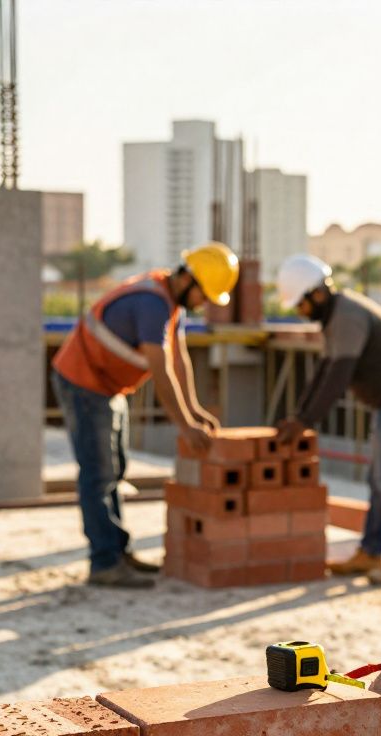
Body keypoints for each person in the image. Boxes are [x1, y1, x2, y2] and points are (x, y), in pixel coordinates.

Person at [52, 242, 239, 589]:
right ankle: (104, 562)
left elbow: (179, 360)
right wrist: (184, 425)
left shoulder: (171, 304)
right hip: (84, 382)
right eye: (203, 295)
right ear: (188, 279)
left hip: (107, 387)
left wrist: (194, 409)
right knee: (98, 475)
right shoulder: (152, 304)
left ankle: (117, 551)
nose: (203, 303)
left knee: (115, 469)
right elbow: (161, 370)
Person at [275, 254, 381, 585]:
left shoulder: (347, 315)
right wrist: (299, 416)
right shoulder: (335, 317)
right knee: (379, 479)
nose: (300, 312)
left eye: (301, 304)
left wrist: (305, 421)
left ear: (316, 293)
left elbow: (337, 377)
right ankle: (371, 552)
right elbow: (323, 372)